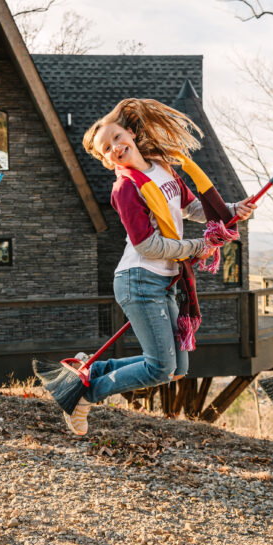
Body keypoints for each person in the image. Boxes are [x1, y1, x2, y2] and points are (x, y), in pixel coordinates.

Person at [44, 98, 254, 436]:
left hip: (165, 281)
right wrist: (196, 248)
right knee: (159, 367)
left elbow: (192, 206)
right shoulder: (125, 188)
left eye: (115, 138)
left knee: (176, 368)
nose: (114, 147)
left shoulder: (162, 168)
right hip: (139, 279)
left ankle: (91, 370)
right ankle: (85, 396)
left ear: (129, 132)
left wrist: (231, 209)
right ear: (104, 159)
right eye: (105, 149)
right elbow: (147, 245)